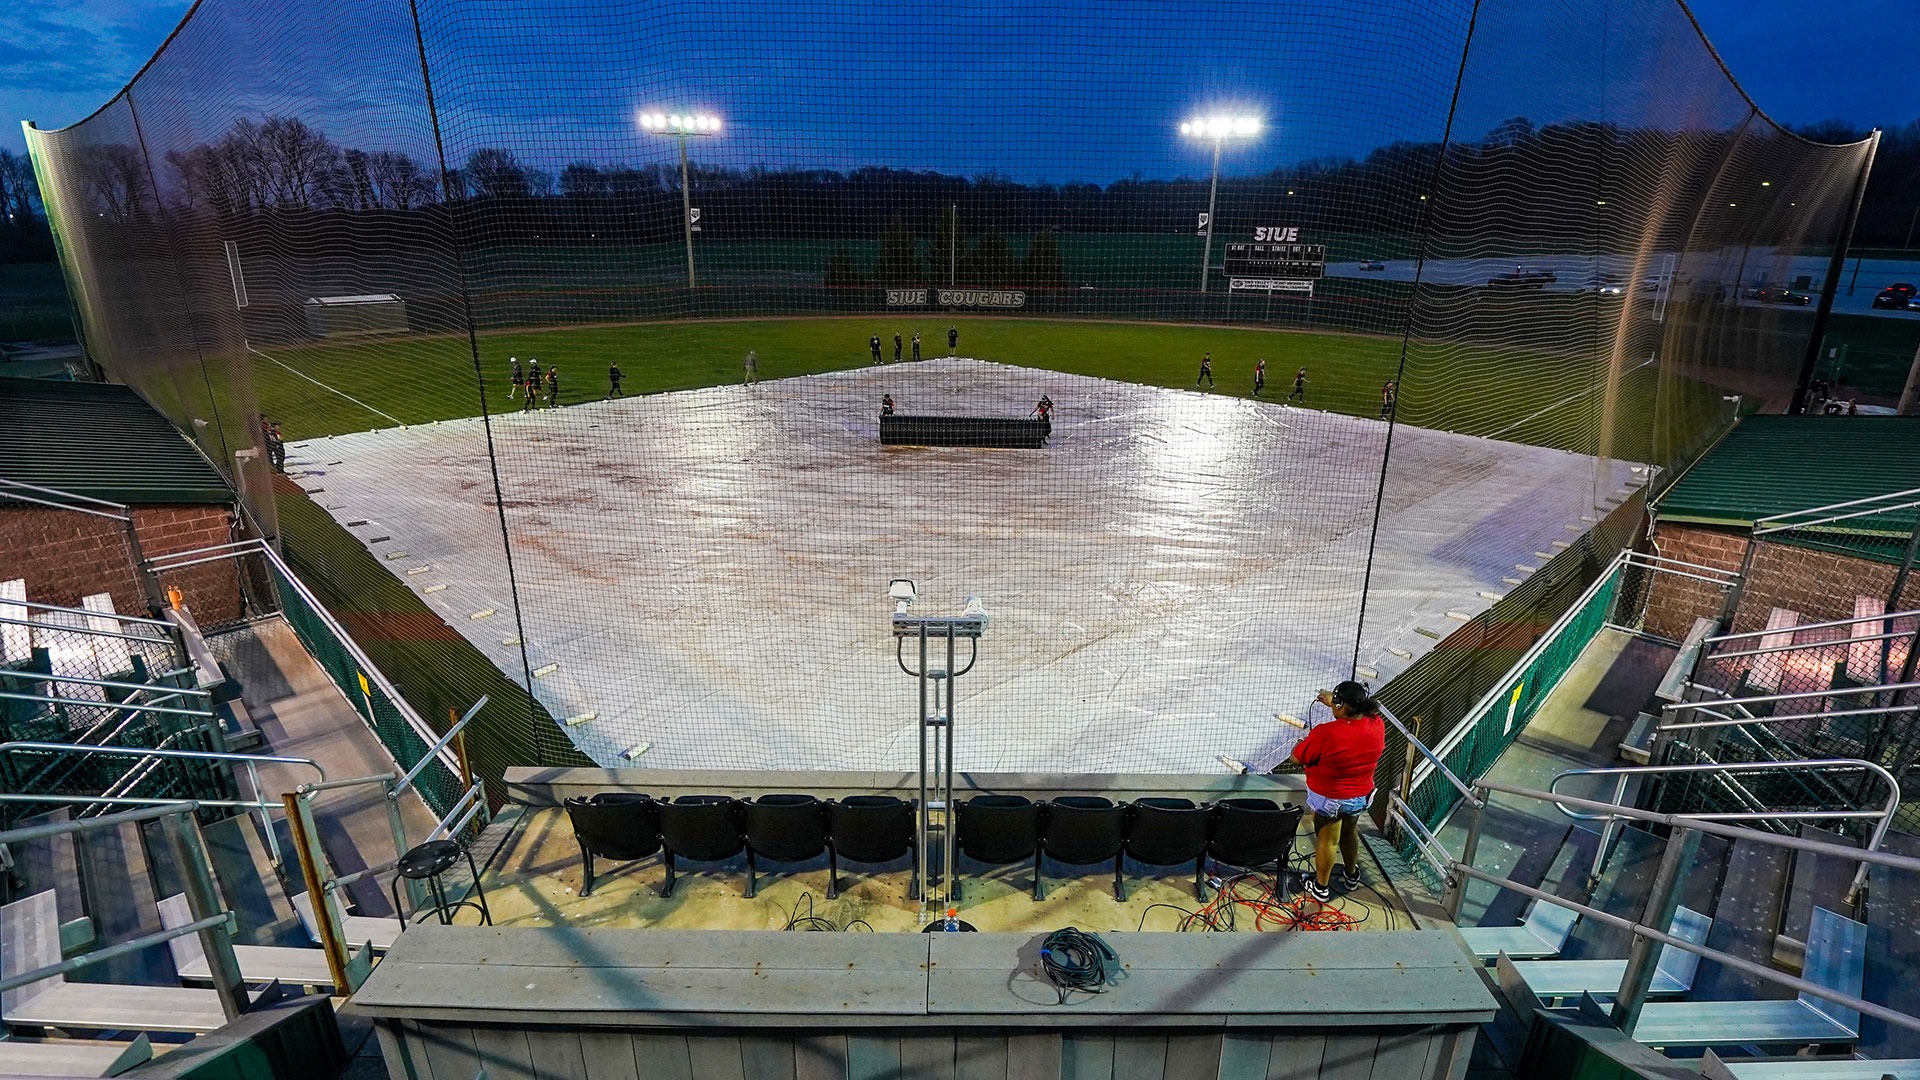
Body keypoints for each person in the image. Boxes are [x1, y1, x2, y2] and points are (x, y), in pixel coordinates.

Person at [1291, 681, 1387, 903]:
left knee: (1327, 840)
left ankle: (1320, 888)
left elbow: (1297, 758)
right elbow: (1353, 725)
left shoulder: (1326, 733)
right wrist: (1333, 703)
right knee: (1349, 832)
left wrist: (1300, 744)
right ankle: (1351, 875)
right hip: (1360, 797)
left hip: (1330, 799)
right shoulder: (1376, 724)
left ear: (1341, 704)